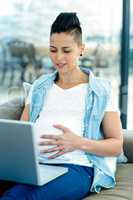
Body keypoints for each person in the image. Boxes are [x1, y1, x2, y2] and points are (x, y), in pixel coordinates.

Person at [0, 12, 123, 200]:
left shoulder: (101, 91)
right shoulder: (39, 87)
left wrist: (78, 142)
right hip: (33, 167)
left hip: (76, 167)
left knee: (18, 198)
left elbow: (116, 145)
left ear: (81, 49)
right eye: (52, 49)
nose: (58, 58)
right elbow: (22, 132)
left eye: (66, 50)